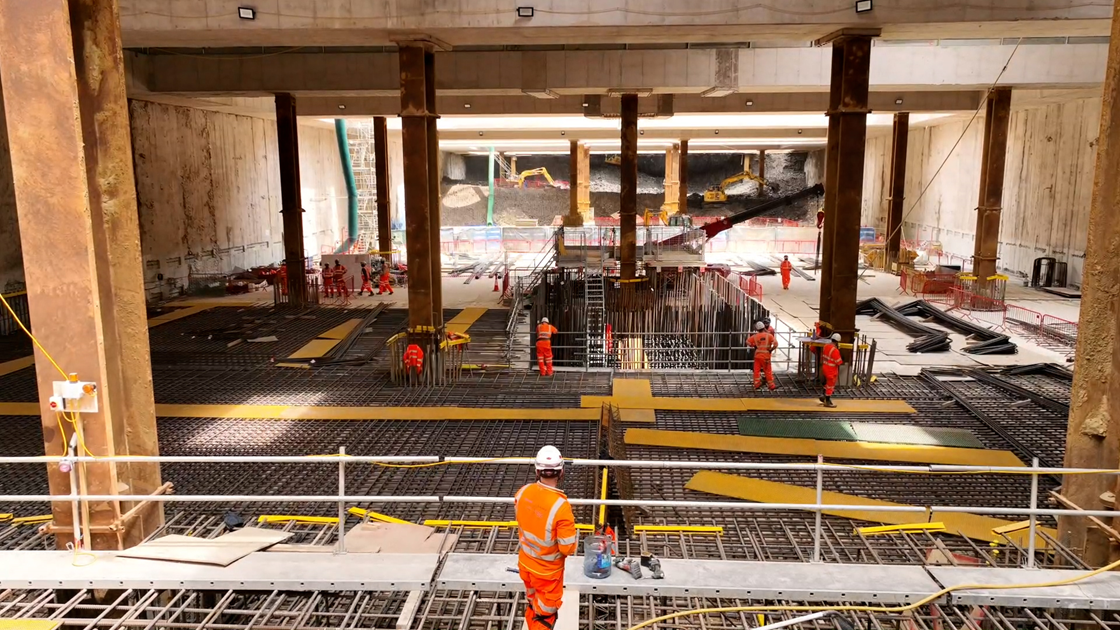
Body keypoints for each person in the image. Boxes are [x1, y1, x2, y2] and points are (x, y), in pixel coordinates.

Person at [515, 446, 577, 630]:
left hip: (525, 565)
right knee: (544, 616)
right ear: (561, 472)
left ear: (537, 471)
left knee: (533, 605)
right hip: (547, 574)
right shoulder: (561, 507)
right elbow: (567, 548)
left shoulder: (522, 492)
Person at [748, 321, 778, 390]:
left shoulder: (755, 336)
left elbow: (748, 341)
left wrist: (754, 346)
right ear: (764, 327)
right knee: (767, 370)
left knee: (756, 370)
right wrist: (771, 350)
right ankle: (771, 385)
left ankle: (757, 384)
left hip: (757, 356)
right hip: (766, 356)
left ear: (757, 329)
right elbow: (776, 344)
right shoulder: (769, 336)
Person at [821, 333, 843, 407]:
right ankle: (827, 401)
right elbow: (839, 362)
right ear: (837, 341)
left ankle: (823, 396)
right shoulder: (835, 350)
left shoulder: (826, 346)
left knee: (826, 384)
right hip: (831, 370)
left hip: (825, 367)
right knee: (830, 386)